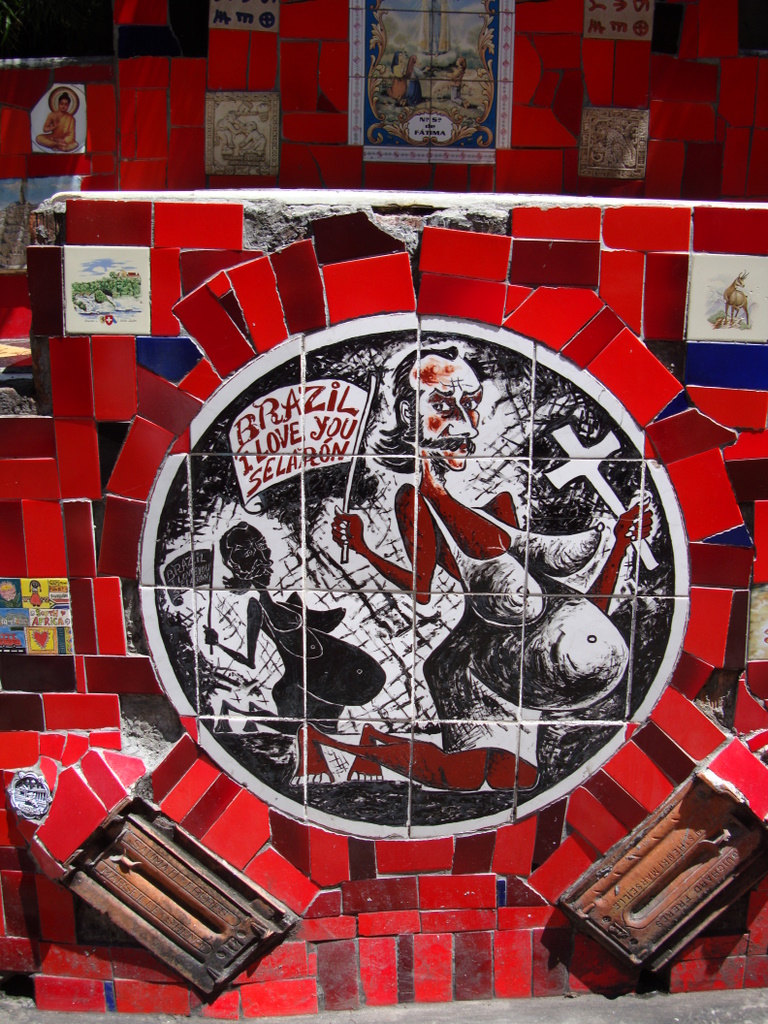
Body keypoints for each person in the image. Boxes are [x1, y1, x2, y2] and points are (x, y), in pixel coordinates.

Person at [331, 347, 652, 785]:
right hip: (474, 672)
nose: (467, 422)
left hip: (521, 671)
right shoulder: (415, 501)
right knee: (463, 779)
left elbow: (565, 603)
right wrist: (363, 548)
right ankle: (346, 748)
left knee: (517, 783)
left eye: (472, 403)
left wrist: (621, 543)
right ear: (409, 414)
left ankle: (370, 745)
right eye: (443, 405)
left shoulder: (499, 501)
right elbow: (422, 589)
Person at [203, 523, 386, 742]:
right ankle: (245, 715)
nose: (264, 558)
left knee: (311, 726)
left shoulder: (283, 603)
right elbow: (249, 661)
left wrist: (333, 614)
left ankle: (253, 717)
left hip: (348, 672)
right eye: (249, 554)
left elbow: (319, 624)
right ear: (237, 566)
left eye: (262, 546)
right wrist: (217, 643)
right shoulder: (257, 608)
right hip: (318, 682)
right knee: (299, 722)